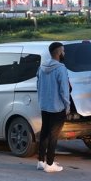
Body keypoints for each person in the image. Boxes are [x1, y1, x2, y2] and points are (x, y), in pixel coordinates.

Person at [36, 42, 70, 173]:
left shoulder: (42, 67)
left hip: (45, 106)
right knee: (53, 136)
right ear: (58, 53)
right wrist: (67, 106)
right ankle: (50, 164)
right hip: (57, 107)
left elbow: (38, 86)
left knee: (44, 133)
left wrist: (41, 101)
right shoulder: (61, 68)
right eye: (63, 51)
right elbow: (64, 90)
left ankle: (41, 161)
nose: (64, 53)